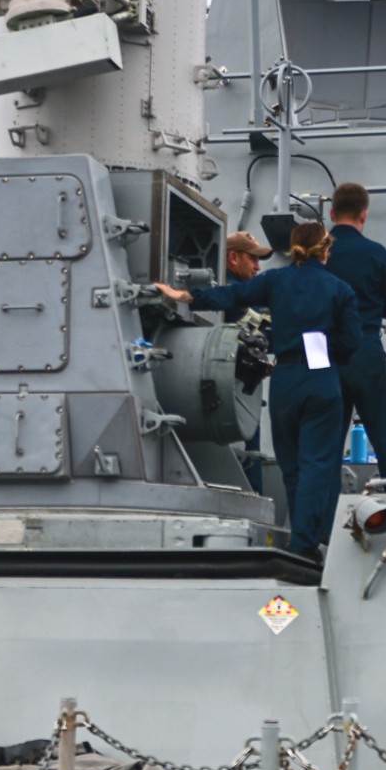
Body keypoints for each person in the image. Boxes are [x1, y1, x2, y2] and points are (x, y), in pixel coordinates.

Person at [156, 221, 360, 556]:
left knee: (291, 466)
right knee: (318, 465)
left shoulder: (276, 280)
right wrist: (323, 345)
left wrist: (187, 296)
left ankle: (302, 537)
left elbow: (233, 294)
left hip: (285, 380)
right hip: (321, 378)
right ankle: (308, 540)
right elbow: (351, 342)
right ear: (325, 251)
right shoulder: (340, 289)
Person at [325, 182, 386, 488]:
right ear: (363, 216)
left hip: (323, 354)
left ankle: (315, 523)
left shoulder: (318, 254)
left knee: (324, 445)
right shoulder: (375, 253)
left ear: (331, 212)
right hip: (366, 350)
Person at [223, 230, 272, 491]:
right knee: (247, 464)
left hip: (235, 390)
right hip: (236, 393)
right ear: (233, 258)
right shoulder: (236, 295)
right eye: (252, 259)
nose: (257, 266)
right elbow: (261, 336)